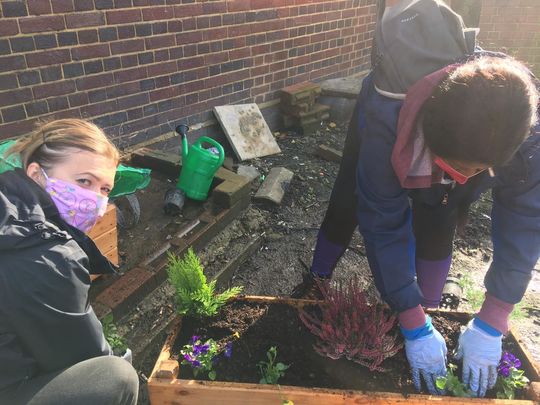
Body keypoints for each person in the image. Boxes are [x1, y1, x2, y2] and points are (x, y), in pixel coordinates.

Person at [292, 0, 540, 398]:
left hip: (467, 140)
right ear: (430, 137)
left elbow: (526, 221)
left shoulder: (524, 136)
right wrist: (409, 321)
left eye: (478, 171)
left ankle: (428, 304)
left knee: (440, 211)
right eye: (458, 167)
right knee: (349, 199)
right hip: (389, 115)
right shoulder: (387, 123)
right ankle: (318, 277)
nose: (464, 179)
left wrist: (495, 315)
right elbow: (382, 219)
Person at [0, 119, 139, 404]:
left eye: (104, 189)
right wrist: (122, 360)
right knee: (116, 378)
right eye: (84, 181)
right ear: (37, 174)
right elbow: (83, 357)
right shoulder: (50, 255)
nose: (94, 199)